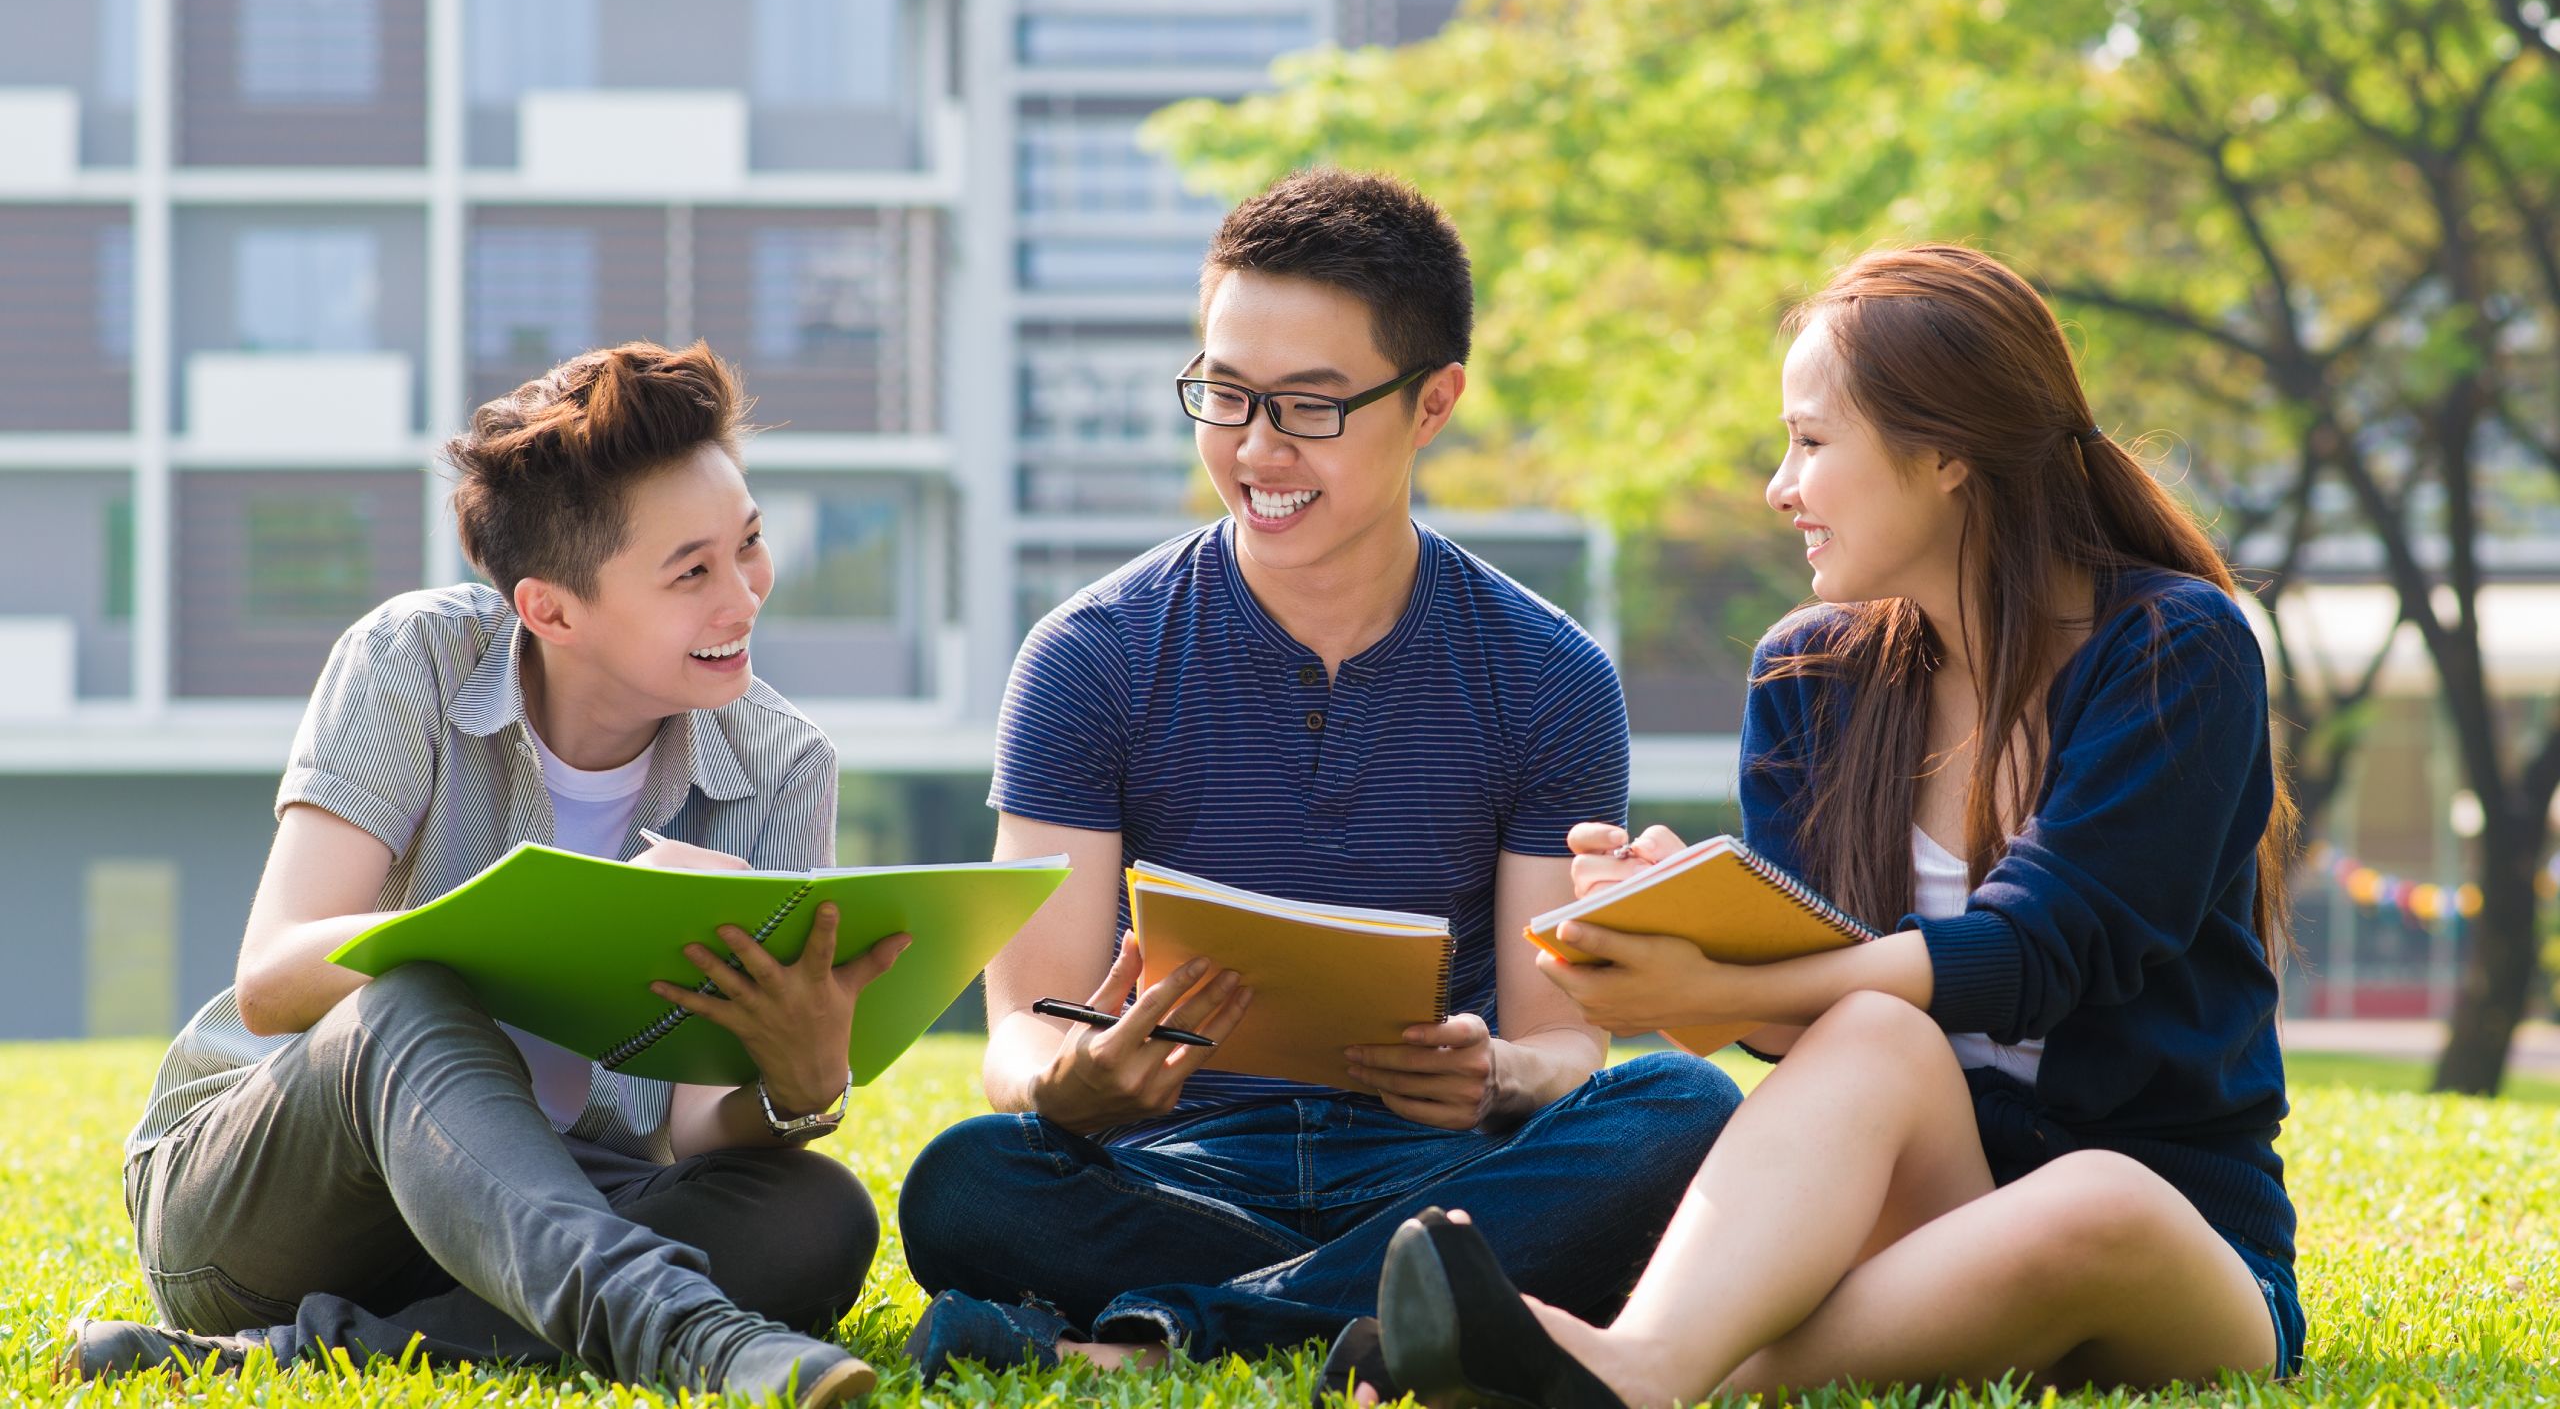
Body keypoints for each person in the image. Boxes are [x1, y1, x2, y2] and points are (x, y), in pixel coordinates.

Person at [1374, 244, 2307, 1407]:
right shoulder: (1811, 675)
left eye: (1810, 443)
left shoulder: (2174, 647)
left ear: (1947, 451)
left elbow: (2044, 949)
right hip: (1920, 1212)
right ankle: (1627, 1373)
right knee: (1870, 1030)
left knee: (2096, 1199)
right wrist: (1702, 939)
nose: (1779, 486)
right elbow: (1803, 1027)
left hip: (2171, 1245)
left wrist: (1732, 990)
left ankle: (1628, 1370)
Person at [894, 170, 1740, 1386]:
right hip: (1171, 1164)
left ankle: (1160, 1334)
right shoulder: (1090, 655)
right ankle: (1371, 1310)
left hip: (1430, 1172)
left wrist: (1493, 1071)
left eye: (1309, 407)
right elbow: (1021, 1032)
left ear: (1433, 402)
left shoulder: (1548, 674)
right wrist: (1077, 1085)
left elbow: (1562, 1050)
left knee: (1678, 1107)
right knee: (968, 1180)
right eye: (1224, 393)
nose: (1254, 448)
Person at [61, 341, 903, 1408]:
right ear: (549, 609)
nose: (743, 600)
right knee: (405, 996)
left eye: (749, 546)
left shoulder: (780, 765)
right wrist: (538, 941)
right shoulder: (412, 659)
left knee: (811, 1212)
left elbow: (693, 1129)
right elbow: (274, 976)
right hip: (272, 1195)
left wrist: (796, 1080)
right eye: (692, 573)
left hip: (536, 1204)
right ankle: (690, 1337)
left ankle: (272, 1366)